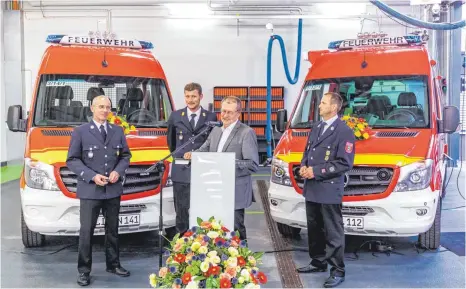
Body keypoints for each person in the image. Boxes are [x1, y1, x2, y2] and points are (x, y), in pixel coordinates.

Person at [66, 95, 132, 286]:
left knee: (112, 230)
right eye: (101, 107)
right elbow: (72, 160)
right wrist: (92, 176)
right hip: (90, 190)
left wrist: (117, 172)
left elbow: (125, 156)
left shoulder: (117, 131)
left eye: (108, 107)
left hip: (112, 190)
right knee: (86, 232)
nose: (104, 110)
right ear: (92, 108)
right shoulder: (80, 132)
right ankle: (84, 271)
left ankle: (113, 264)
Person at [296, 92, 355, 288]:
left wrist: (316, 171)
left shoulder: (343, 131)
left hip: (329, 189)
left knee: (333, 232)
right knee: (314, 229)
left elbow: (344, 163)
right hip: (312, 188)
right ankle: (318, 261)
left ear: (334, 107)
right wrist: (303, 167)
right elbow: (308, 152)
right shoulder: (317, 127)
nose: (319, 106)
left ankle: (337, 270)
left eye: (323, 103)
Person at [183, 96, 259, 240]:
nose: (225, 115)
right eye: (223, 111)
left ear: (238, 113)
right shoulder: (216, 131)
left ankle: (242, 261)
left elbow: (252, 165)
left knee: (236, 228)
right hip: (214, 189)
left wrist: (227, 163)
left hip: (234, 191)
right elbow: (204, 150)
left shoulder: (246, 132)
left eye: (229, 112)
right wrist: (193, 155)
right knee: (215, 227)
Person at [167, 82, 217, 237]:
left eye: (194, 96)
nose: (190, 100)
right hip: (181, 171)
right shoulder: (175, 116)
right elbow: (171, 143)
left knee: (203, 208)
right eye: (187, 96)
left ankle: (201, 241)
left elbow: (212, 143)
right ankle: (181, 243)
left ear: (201, 96)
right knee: (181, 210)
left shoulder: (210, 117)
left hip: (203, 170)